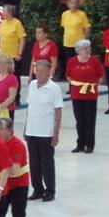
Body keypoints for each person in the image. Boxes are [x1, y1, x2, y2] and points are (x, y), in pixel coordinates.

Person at [24, 60, 63, 201]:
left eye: (42, 71)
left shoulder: (54, 88)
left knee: (47, 163)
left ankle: (50, 190)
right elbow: (30, 108)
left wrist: (56, 133)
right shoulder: (32, 85)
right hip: (32, 131)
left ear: (48, 72)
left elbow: (58, 112)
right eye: (37, 71)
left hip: (46, 132)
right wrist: (26, 127)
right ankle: (37, 189)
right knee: (34, 163)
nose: (39, 74)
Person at [57, 0, 90, 81]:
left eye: (75, 3)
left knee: (80, 63)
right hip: (67, 43)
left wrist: (85, 41)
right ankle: (71, 83)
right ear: (68, 4)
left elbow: (87, 28)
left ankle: (80, 81)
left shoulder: (82, 14)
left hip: (79, 44)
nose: (73, 5)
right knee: (70, 63)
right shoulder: (64, 14)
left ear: (78, 4)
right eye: (71, 3)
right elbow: (64, 27)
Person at [0, 4, 28, 79]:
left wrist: (19, 53)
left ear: (10, 12)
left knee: (14, 77)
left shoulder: (17, 23)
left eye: (4, 11)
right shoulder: (2, 23)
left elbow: (22, 39)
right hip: (3, 55)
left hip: (13, 56)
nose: (2, 13)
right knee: (3, 76)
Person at [0, 56, 19, 122]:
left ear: (7, 65)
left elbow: (11, 98)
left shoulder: (12, 78)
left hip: (7, 110)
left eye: (0, 63)